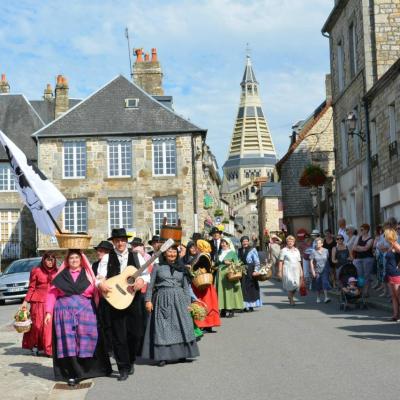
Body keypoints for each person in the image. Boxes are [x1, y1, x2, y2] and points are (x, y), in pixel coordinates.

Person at [44, 250, 111, 386]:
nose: (74, 260)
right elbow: (52, 294)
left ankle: (88, 370)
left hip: (86, 312)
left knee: (88, 338)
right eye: (71, 258)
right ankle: (71, 373)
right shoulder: (61, 276)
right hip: (64, 314)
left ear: (81, 260)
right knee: (68, 344)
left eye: (76, 257)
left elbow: (96, 291)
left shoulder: (88, 275)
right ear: (67, 260)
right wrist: (48, 312)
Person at [96, 228, 150, 381]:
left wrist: (140, 281)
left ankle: (131, 360)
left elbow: (146, 275)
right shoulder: (107, 257)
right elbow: (99, 277)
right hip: (115, 300)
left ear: (127, 241)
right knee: (118, 335)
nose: (120, 243)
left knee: (135, 333)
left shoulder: (136, 256)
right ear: (113, 242)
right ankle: (122, 368)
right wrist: (101, 285)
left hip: (133, 299)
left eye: (122, 240)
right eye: (117, 240)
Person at [142, 244, 200, 366]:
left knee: (181, 326)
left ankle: (183, 353)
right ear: (164, 253)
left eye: (174, 252)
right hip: (162, 299)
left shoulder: (182, 268)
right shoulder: (158, 267)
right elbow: (150, 285)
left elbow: (185, 287)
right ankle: (162, 356)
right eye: (169, 252)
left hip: (179, 299)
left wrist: (188, 303)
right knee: (163, 328)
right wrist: (148, 300)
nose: (172, 254)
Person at [21, 253, 58, 357]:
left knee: (49, 327)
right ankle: (35, 345)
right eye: (48, 259)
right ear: (44, 260)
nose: (51, 262)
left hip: (52, 302)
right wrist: (25, 301)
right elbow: (31, 288)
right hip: (38, 302)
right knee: (37, 326)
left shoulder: (58, 271)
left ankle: (49, 349)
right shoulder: (36, 271)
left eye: (52, 259)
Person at [183, 241, 221, 332]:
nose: (196, 248)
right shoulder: (204, 255)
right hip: (205, 284)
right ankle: (208, 324)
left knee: (204, 303)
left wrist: (190, 267)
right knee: (208, 303)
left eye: (197, 246)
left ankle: (205, 324)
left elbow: (199, 268)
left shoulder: (203, 256)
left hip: (202, 283)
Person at [91, 241, 114, 355]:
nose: (98, 252)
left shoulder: (113, 264)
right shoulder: (95, 265)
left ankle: (111, 346)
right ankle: (104, 346)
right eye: (98, 250)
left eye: (101, 251)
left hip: (112, 297)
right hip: (99, 297)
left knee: (111, 323)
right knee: (101, 322)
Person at [216, 238, 244, 317]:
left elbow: (237, 263)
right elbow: (216, 262)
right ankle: (223, 310)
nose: (223, 244)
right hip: (220, 274)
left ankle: (231, 309)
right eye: (222, 243)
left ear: (228, 244)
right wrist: (219, 262)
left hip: (229, 274)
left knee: (229, 292)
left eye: (225, 243)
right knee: (221, 292)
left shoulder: (232, 253)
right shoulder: (220, 253)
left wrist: (230, 263)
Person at [238, 236, 262, 311]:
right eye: (243, 241)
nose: (245, 243)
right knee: (243, 287)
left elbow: (257, 261)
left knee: (251, 287)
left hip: (250, 270)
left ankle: (251, 305)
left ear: (248, 242)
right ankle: (244, 305)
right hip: (242, 270)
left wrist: (256, 270)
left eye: (246, 241)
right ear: (241, 242)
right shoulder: (239, 250)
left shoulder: (252, 249)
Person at [278, 235, 302, 306]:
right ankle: (291, 299)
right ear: (287, 242)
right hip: (288, 270)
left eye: (292, 241)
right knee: (291, 284)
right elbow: (280, 261)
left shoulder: (297, 250)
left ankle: (290, 295)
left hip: (296, 270)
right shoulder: (283, 250)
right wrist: (279, 271)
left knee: (297, 285)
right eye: (289, 241)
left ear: (294, 242)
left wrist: (301, 271)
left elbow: (299, 261)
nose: (290, 242)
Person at [352, 224, 374, 297]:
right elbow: (354, 247)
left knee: (367, 275)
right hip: (358, 258)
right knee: (360, 276)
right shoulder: (358, 237)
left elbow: (366, 248)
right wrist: (361, 248)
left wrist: (358, 247)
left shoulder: (371, 239)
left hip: (368, 258)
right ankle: (360, 291)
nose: (360, 231)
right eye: (360, 229)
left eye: (362, 230)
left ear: (366, 230)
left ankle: (366, 292)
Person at [383, 228, 400, 321]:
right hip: (389, 273)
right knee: (393, 296)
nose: (384, 237)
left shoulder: (395, 245)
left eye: (385, 235)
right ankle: (395, 315)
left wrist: (398, 265)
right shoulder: (390, 246)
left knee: (398, 295)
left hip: (395, 273)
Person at [310, 238, 331, 304]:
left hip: (325, 269)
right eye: (316, 243)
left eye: (319, 243)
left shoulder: (326, 251)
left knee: (325, 282)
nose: (317, 244)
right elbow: (311, 262)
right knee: (318, 283)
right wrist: (313, 271)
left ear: (322, 244)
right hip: (317, 270)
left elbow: (327, 259)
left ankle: (326, 297)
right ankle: (318, 297)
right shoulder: (313, 251)